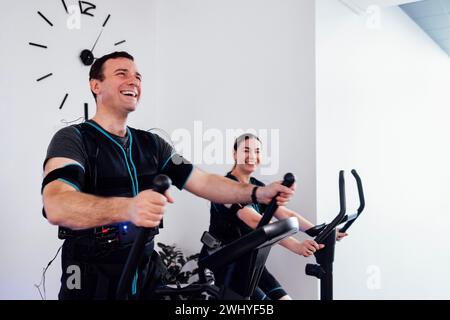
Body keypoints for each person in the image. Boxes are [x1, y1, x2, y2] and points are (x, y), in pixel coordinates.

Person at [41, 51, 295, 300]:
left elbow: (203, 181)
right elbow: (56, 204)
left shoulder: (152, 143)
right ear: (95, 85)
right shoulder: (73, 139)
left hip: (146, 272)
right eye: (122, 74)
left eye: (138, 77)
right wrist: (128, 209)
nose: (134, 81)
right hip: (91, 276)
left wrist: (257, 193)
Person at [200, 133, 348, 300]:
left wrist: (322, 231)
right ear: (235, 154)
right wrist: (296, 246)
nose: (252, 156)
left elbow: (286, 214)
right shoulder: (226, 187)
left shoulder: (258, 187)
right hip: (223, 265)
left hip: (248, 261)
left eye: (257, 151)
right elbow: (254, 221)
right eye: (246, 150)